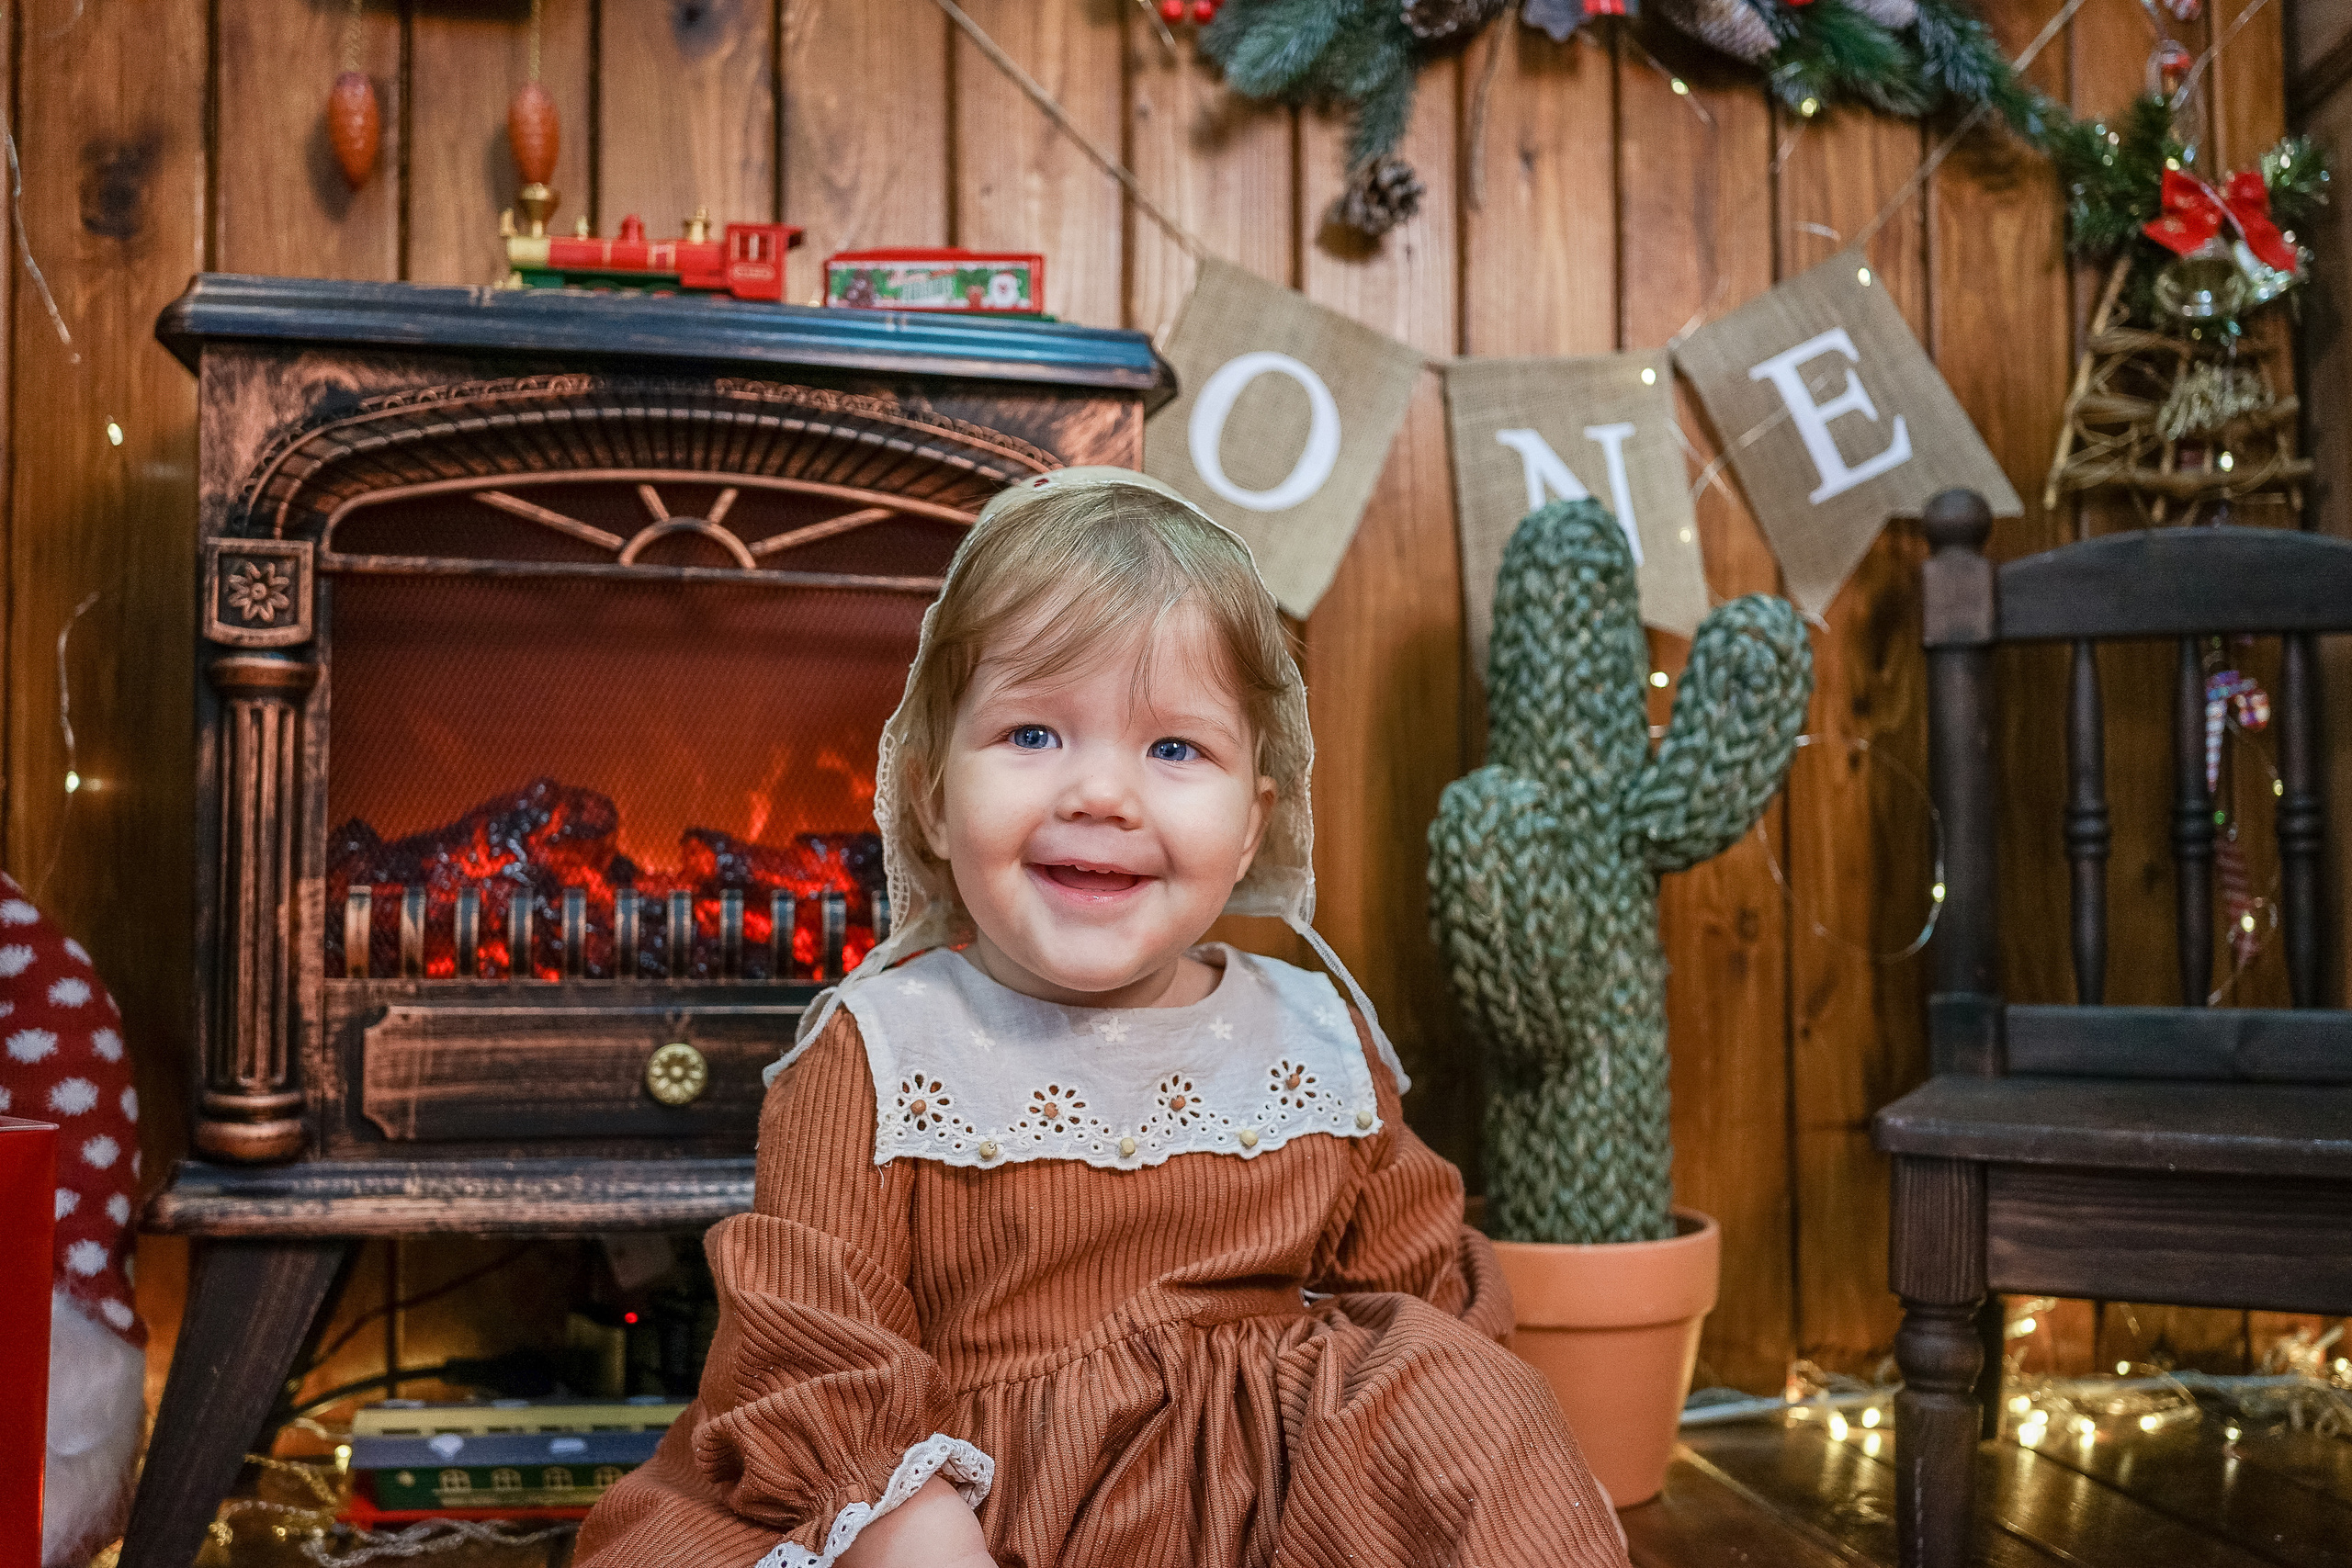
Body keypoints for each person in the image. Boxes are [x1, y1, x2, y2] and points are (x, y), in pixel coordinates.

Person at [575, 469, 1629, 1568]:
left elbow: (1424, 1299)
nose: (1102, 796)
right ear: (931, 796)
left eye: (1175, 750)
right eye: (1033, 734)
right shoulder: (886, 1051)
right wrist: (909, 1525)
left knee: (1464, 1396)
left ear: (1252, 823)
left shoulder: (1310, 1039)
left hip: (1281, 1508)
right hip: (980, 1507)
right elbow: (813, 1331)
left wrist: (1493, 1470)